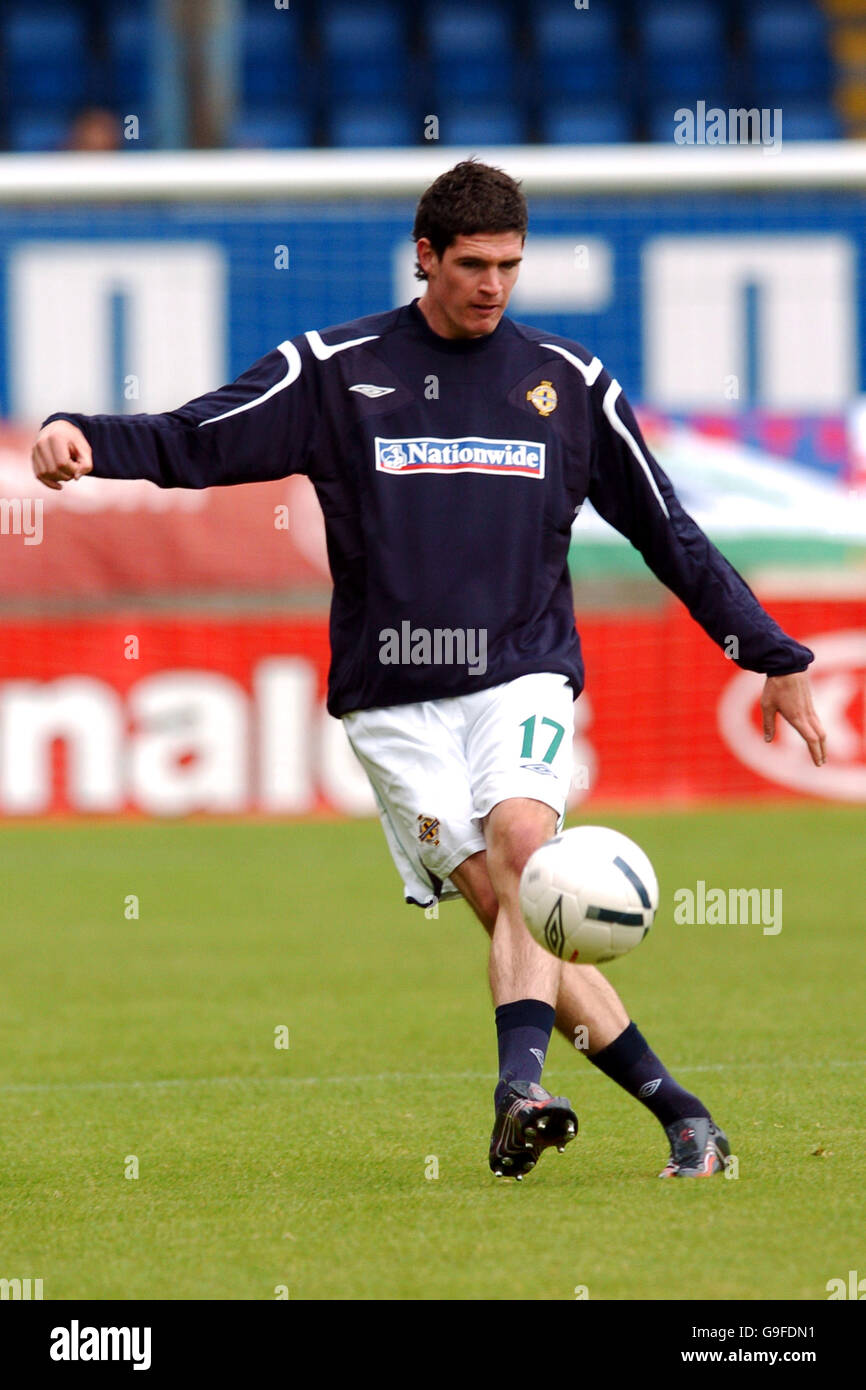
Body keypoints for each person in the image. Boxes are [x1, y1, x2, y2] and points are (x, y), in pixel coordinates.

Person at [31, 160, 827, 1181]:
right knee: (511, 909)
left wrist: (768, 652)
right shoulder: (335, 369)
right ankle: (681, 1113)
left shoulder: (568, 385)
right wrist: (84, 438)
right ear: (425, 257)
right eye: (472, 264)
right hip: (392, 700)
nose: (492, 284)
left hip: (521, 673)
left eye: (508, 265)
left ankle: (519, 1093)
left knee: (526, 852)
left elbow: (668, 532)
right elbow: (197, 439)